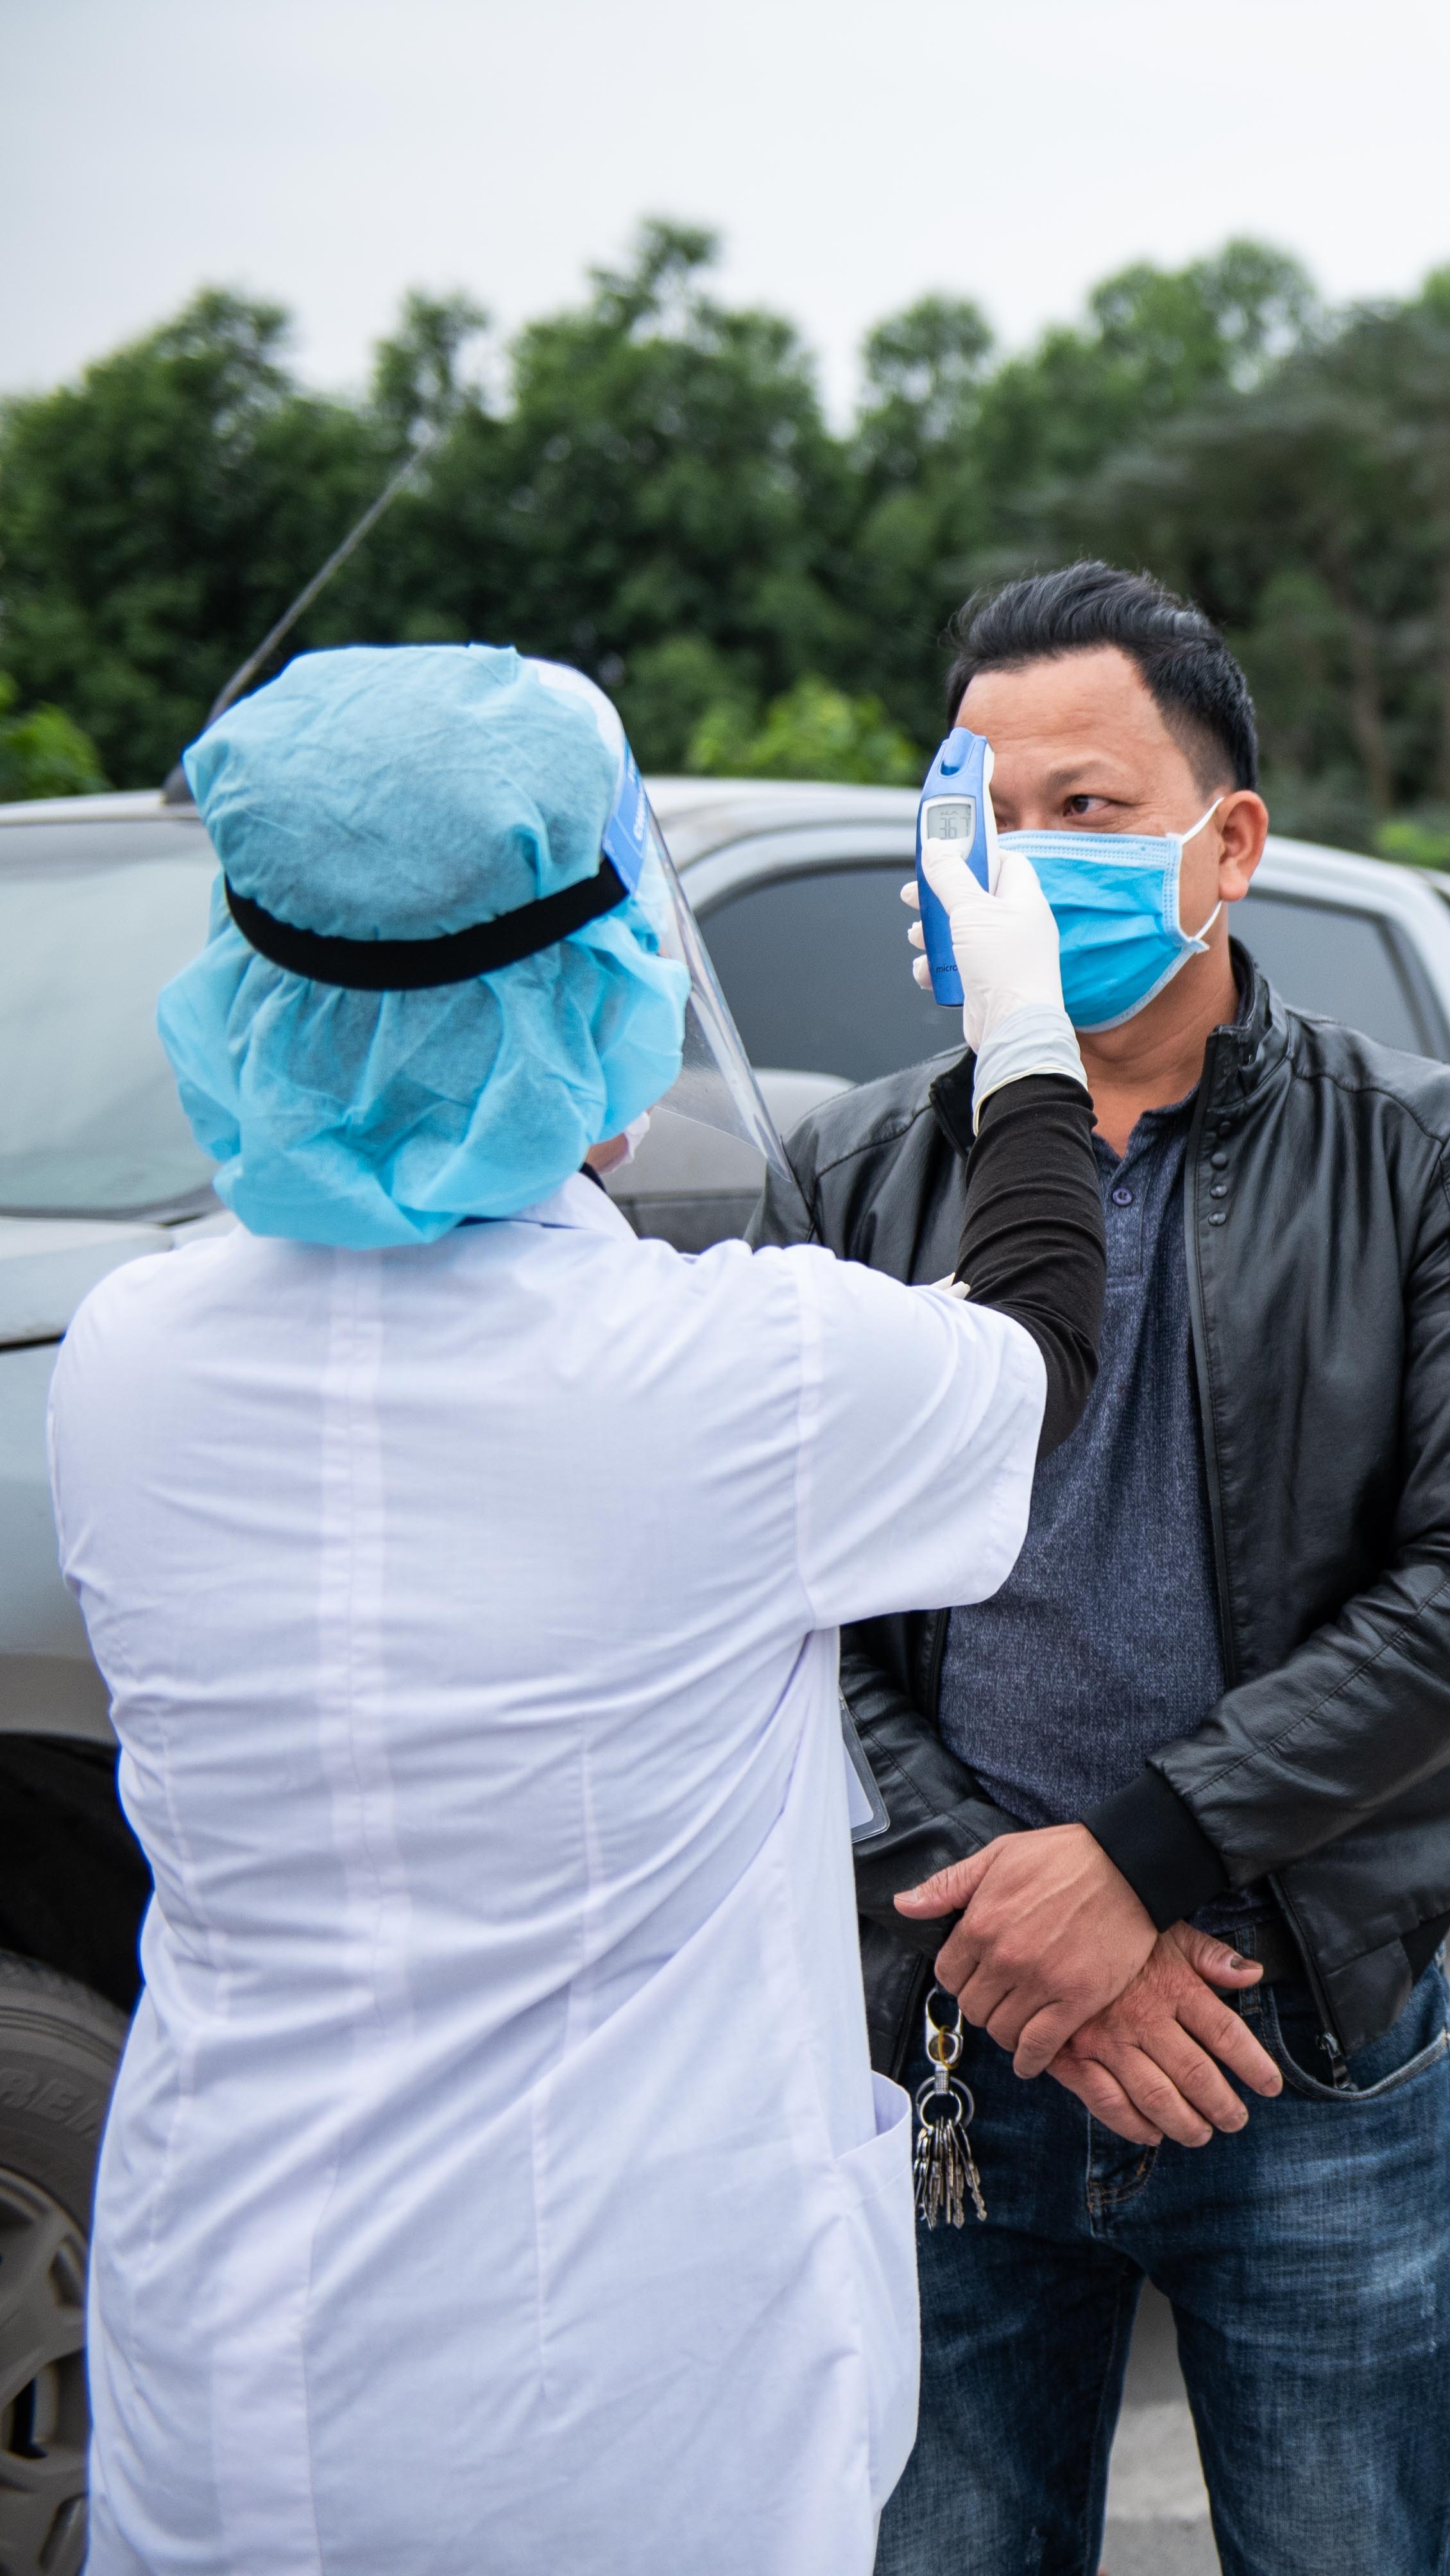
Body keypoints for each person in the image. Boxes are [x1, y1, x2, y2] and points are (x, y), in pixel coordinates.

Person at [52, 643, 1111, 2573]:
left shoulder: (127, 1363)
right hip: (604, 2416)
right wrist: (1026, 1035)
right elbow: (1035, 1353)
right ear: (595, 992)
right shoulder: (732, 1376)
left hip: (225, 2364)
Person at [757, 563, 1450, 2576]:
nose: (1023, 865)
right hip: (956, 2044)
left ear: (1231, 846)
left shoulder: (1424, 1150)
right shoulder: (853, 1174)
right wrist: (999, 1927)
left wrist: (1134, 1862)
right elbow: (791, 1607)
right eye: (982, 814)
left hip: (1293, 2036)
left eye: (1087, 810)